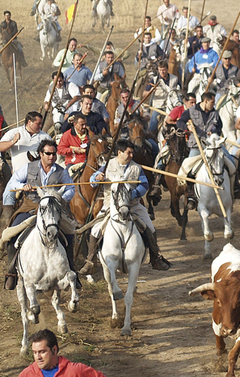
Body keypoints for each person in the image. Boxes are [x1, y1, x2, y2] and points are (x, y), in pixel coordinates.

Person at [79, 139, 171, 274]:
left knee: (150, 228)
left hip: (133, 205)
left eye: (132, 153)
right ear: (119, 152)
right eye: (129, 153)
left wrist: (131, 194)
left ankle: (155, 258)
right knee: (95, 230)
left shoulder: (136, 168)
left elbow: (144, 185)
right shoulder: (107, 166)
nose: (131, 156)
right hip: (110, 206)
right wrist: (97, 178)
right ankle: (90, 261)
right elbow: (92, 181)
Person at [3, 140, 77, 291]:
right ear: (41, 154)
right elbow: (12, 182)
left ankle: (71, 269)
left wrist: (61, 198)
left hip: (53, 207)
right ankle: (11, 273)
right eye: (48, 154)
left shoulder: (61, 171)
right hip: (31, 206)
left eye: (54, 154)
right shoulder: (29, 167)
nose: (51, 157)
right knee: (11, 234)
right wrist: (22, 186)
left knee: (69, 234)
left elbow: (71, 188)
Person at [0, 112, 52, 229]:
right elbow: (0, 146)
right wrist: (13, 142)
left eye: (41, 123)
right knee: (8, 193)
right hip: (19, 175)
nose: (40, 126)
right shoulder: (14, 132)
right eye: (38, 124)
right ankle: (7, 224)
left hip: (40, 175)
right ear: (29, 122)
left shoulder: (45, 137)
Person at [150, 94, 197, 202]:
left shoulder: (195, 112)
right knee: (163, 155)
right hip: (174, 139)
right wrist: (181, 123)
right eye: (191, 102)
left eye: (195, 102)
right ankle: (157, 183)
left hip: (190, 141)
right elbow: (168, 121)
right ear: (185, 102)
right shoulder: (178, 110)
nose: (194, 104)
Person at [19, 329, 106, 377]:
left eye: (42, 352)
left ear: (54, 350)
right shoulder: (27, 374)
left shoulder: (75, 371)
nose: (38, 357)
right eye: (35, 352)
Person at [144, 60, 180, 132]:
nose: (162, 72)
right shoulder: (154, 80)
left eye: (163, 70)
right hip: (158, 107)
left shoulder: (175, 79)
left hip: (172, 108)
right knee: (152, 127)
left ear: (167, 69)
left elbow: (180, 91)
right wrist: (150, 91)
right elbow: (144, 93)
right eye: (160, 70)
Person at [43, 71, 80, 135]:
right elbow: (46, 100)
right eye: (56, 81)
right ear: (53, 80)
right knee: (45, 129)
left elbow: (77, 96)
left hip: (69, 111)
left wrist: (68, 105)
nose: (58, 83)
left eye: (60, 81)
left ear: (63, 79)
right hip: (56, 112)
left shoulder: (70, 85)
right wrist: (46, 105)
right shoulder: (51, 88)